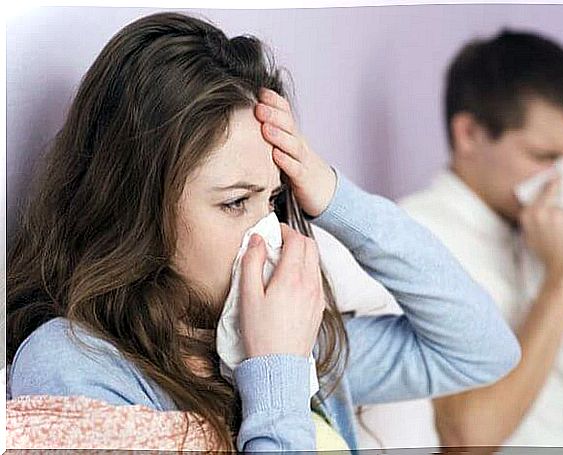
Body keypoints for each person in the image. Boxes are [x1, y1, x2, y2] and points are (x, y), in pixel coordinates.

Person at [5, 13, 521, 452]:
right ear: (133, 210)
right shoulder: (75, 367)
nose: (267, 233)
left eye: (273, 199)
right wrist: (276, 375)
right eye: (234, 202)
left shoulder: (296, 341)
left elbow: (482, 349)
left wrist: (333, 196)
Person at [354, 29, 563, 450]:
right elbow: (467, 439)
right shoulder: (416, 237)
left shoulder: (544, 234)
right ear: (470, 134)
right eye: (545, 157)